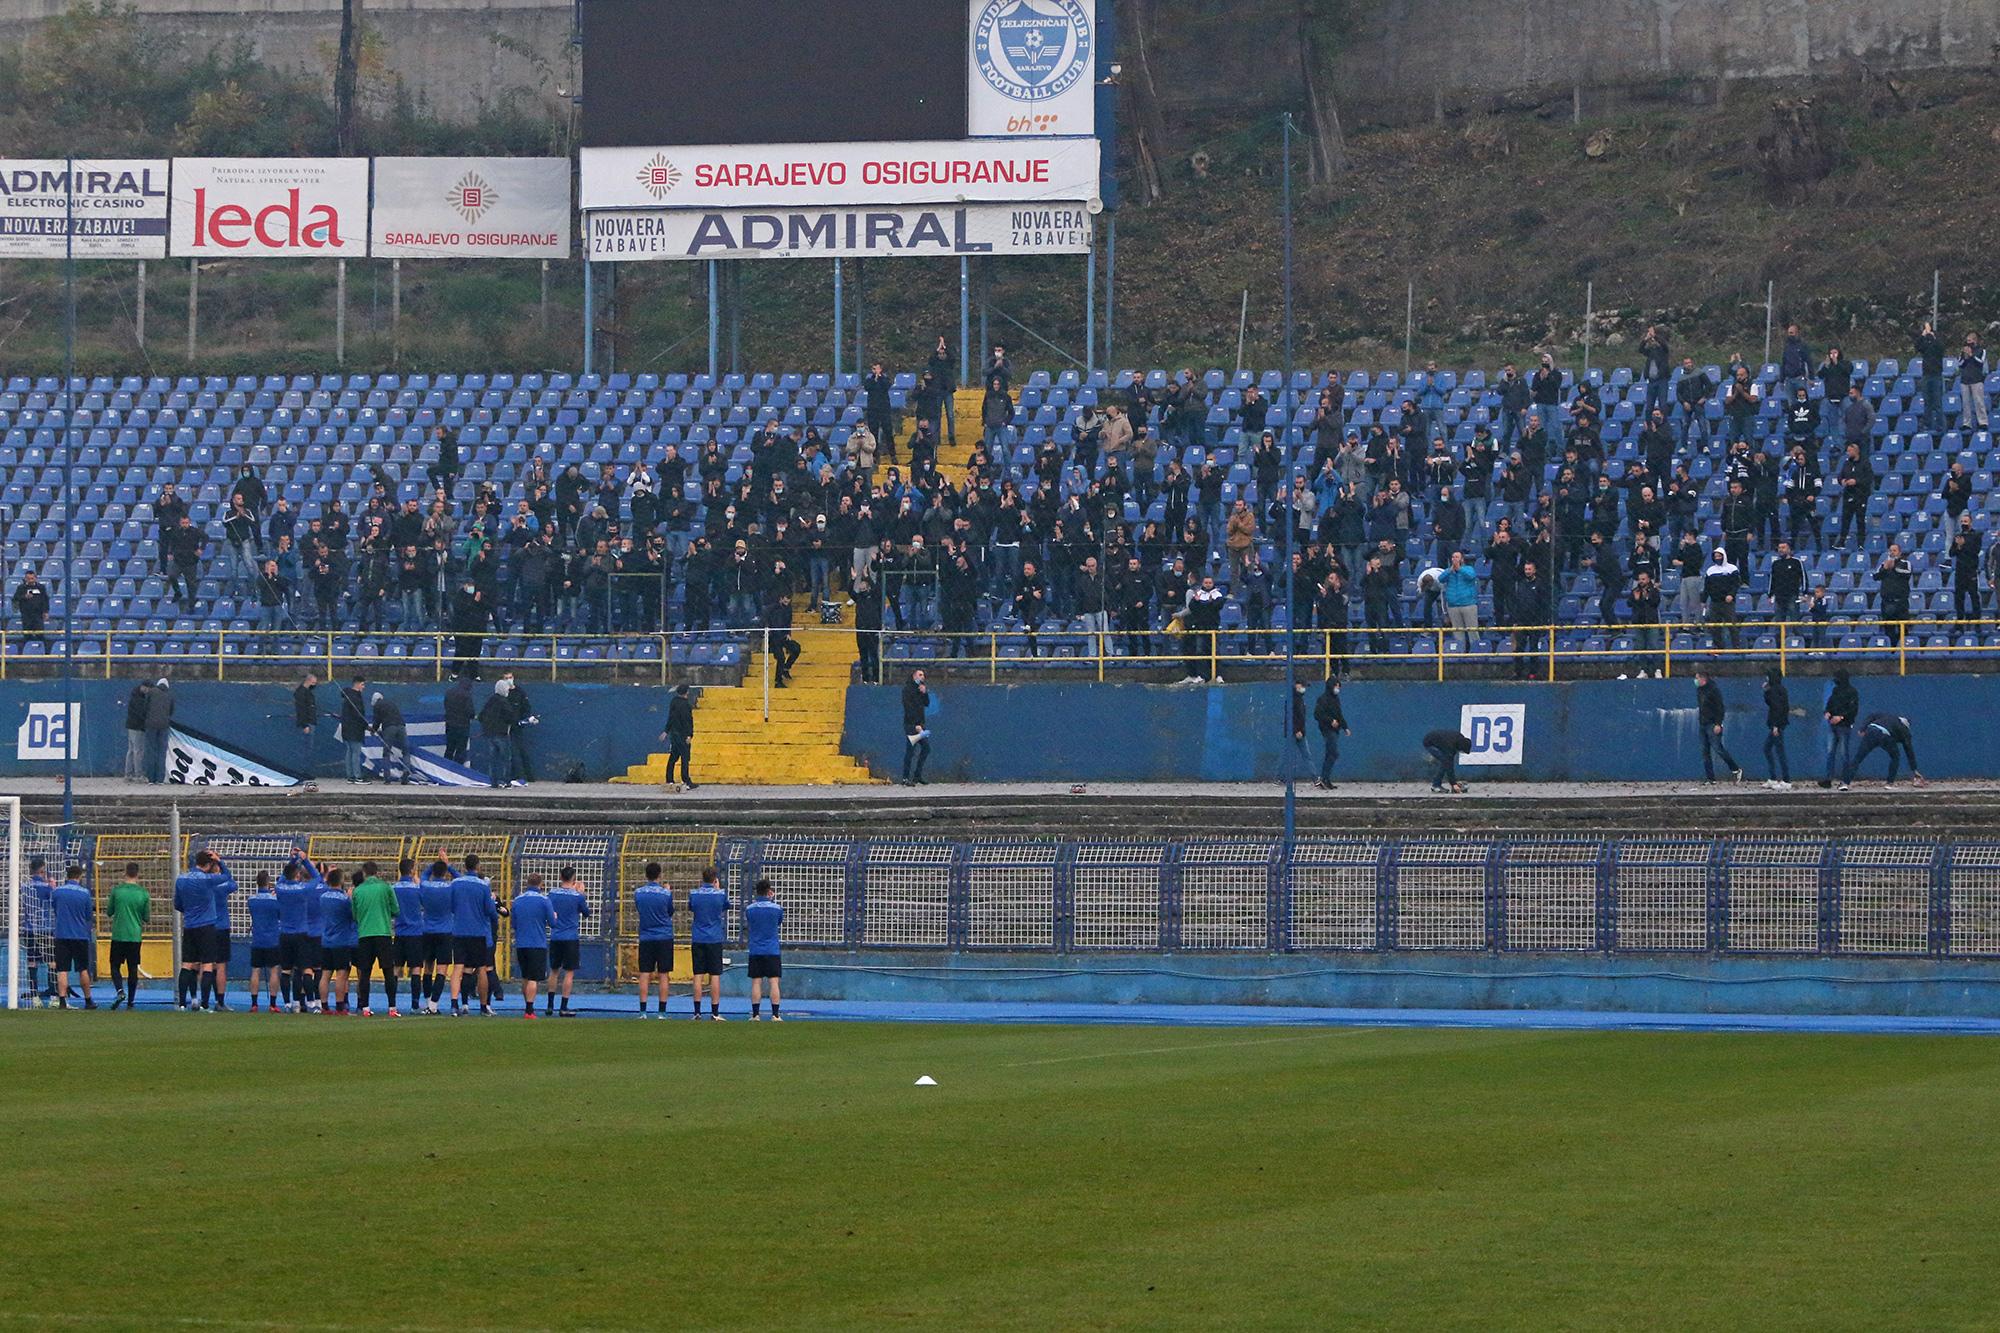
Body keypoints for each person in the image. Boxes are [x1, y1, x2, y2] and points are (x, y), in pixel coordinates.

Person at [173, 850, 232, 1011]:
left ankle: (181, 1003)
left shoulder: (181, 878)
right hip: (206, 926)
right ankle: (205, 1003)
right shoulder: (207, 879)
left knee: (187, 964)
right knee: (207, 965)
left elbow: (177, 904)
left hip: (189, 925)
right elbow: (227, 876)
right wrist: (219, 861)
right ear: (208, 864)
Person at [448, 853, 498, 1016]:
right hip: (478, 932)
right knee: (482, 968)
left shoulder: (455, 883)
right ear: (478, 866)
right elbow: (490, 910)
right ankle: (484, 1006)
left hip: (459, 930)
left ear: (465, 866)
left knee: (458, 968)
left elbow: (450, 905)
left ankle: (454, 1005)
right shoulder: (483, 886)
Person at [47, 866, 96, 1010]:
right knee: (83, 969)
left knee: (62, 969)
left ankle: (62, 1000)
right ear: (79, 876)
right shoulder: (85, 893)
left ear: (67, 876)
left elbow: (55, 909)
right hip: (80, 935)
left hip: (62, 934)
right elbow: (88, 916)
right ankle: (88, 1000)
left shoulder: (57, 892)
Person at [276, 856, 321, 1013]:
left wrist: (294, 860)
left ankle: (290, 1003)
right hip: (301, 933)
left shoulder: (279, 887)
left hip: (285, 934)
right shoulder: (303, 889)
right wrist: (305, 860)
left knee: (287, 970)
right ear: (297, 875)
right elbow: (317, 877)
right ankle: (310, 1003)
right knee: (306, 969)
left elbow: (283, 876)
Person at [545, 866, 590, 1018]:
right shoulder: (577, 896)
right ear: (574, 879)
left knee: (554, 970)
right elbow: (586, 913)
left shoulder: (552, 893)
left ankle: (550, 1005)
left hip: (556, 936)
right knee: (569, 972)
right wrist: (582, 894)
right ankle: (563, 1006)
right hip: (570, 937)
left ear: (560, 877)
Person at [105, 861, 149, 1012]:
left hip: (118, 934)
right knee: (132, 968)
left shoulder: (117, 891)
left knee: (114, 965)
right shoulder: (143, 893)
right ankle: (131, 1002)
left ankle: (120, 991)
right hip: (134, 936)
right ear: (137, 874)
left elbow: (109, 911)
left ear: (125, 873)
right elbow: (146, 917)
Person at [418, 855, 459, 1014]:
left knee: (428, 968)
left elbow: (423, 876)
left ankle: (428, 1002)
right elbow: (461, 879)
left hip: (427, 930)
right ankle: (434, 1005)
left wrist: (436, 863)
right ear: (445, 873)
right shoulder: (450, 887)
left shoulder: (426, 884)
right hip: (445, 931)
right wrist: (448, 865)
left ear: (433, 872)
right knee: (442, 969)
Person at [509, 873, 554, 1020]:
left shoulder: (517, 900)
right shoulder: (544, 900)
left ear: (527, 883)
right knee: (534, 978)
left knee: (525, 977)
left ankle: (527, 1006)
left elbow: (513, 924)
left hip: (521, 943)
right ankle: (529, 1010)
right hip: (537, 943)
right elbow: (552, 923)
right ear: (540, 884)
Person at [633, 863, 675, 1018]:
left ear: (646, 875)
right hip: (664, 936)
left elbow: (639, 909)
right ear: (659, 875)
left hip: (646, 936)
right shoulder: (665, 894)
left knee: (645, 973)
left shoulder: (639, 892)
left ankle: (643, 1011)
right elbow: (670, 911)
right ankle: (662, 1012)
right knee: (664, 974)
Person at [1844, 712, 1926, 789]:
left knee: (1858, 758)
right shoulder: (1905, 730)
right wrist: (1914, 769)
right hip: (1885, 736)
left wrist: (1862, 728)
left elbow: (1871, 716)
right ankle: (1889, 783)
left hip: (1871, 731)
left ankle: (1845, 783)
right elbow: (1909, 750)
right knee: (1895, 757)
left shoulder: (1887, 716)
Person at [688, 868, 729, 1021]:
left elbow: (691, 908)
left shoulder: (694, 894)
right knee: (715, 975)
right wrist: (717, 889)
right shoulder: (720, 894)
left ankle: (697, 1012)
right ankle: (715, 1012)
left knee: (698, 975)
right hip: (714, 938)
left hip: (698, 937)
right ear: (714, 879)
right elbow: (725, 906)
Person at [317, 869, 357, 1015]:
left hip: (326, 940)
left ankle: (324, 1006)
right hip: (341, 941)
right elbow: (353, 915)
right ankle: (340, 1006)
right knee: (341, 974)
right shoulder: (344, 900)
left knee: (325, 974)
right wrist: (351, 899)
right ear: (341, 881)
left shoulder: (323, 897)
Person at [1694, 669, 1743, 783]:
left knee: (1718, 748)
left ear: (1703, 679)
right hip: (1703, 723)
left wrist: (1718, 723)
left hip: (1712, 724)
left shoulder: (1713, 690)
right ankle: (1710, 778)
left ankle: (1735, 768)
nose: (1695, 680)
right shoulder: (1700, 690)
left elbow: (1720, 708)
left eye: (1697, 678)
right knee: (1705, 752)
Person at [745, 878, 784, 1021]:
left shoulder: (750, 909)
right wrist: (772, 900)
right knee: (774, 982)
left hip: (756, 949)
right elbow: (779, 921)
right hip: (772, 949)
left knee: (756, 982)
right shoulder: (777, 908)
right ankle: (775, 1014)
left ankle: (755, 1014)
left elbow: (750, 922)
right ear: (769, 891)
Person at [391, 857, 427, 1011]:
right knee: (416, 969)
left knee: (396, 968)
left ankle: (391, 1003)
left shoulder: (393, 888)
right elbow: (426, 903)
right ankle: (414, 1003)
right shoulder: (417, 888)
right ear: (412, 871)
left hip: (399, 932)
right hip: (415, 933)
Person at [244, 872, 282, 1012]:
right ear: (268, 882)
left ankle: (254, 1003)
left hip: (257, 939)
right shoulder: (275, 901)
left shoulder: (252, 900)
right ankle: (273, 1004)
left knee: (255, 971)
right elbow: (280, 915)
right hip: (272, 939)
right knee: (273, 971)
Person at [1821, 669, 1859, 791]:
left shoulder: (1852, 692)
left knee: (1844, 754)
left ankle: (1845, 781)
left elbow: (1853, 709)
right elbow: (1830, 704)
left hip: (1844, 726)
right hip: (1833, 725)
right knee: (1830, 752)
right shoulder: (1836, 691)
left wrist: (1841, 717)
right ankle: (1828, 778)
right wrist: (1828, 712)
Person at [1313, 677, 1349, 790]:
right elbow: (1317, 714)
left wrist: (1345, 727)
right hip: (1327, 729)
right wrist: (1330, 721)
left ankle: (1326, 779)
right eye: (1336, 686)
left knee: (1331, 754)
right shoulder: (1323, 699)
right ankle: (1324, 778)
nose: (1338, 689)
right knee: (1333, 753)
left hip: (1335, 730)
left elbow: (1339, 714)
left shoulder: (1335, 699)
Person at [478, 681, 516, 787]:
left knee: (493, 760)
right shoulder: (504, 702)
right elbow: (510, 717)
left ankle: (493, 782)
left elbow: (481, 716)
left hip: (490, 734)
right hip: (502, 734)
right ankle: (506, 781)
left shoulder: (489, 701)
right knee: (506, 759)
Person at [660, 683, 696, 791]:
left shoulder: (674, 702)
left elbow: (671, 717)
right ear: (687, 692)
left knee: (673, 757)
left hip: (674, 735)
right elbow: (688, 721)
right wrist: (689, 735)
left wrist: (666, 731)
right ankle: (686, 781)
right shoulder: (686, 705)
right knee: (685, 758)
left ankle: (669, 779)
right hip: (683, 735)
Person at [371, 691, 412, 784]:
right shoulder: (391, 703)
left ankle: (387, 777)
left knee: (386, 753)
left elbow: (377, 721)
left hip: (389, 727)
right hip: (401, 726)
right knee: (406, 751)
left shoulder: (377, 706)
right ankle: (406, 772)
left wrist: (373, 730)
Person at [1762, 668, 1793, 790]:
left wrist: (1775, 725)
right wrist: (1766, 690)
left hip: (1777, 725)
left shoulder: (1775, 690)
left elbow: (1776, 708)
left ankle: (1786, 779)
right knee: (1768, 749)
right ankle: (1774, 778)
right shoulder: (1779, 689)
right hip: (1779, 724)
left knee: (1779, 752)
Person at [901, 668, 931, 786]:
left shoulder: (920, 689)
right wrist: (915, 724)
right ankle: (905, 778)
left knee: (926, 748)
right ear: (914, 676)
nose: (922, 677)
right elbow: (908, 708)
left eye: (923, 675)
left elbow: (926, 703)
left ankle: (917, 775)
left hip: (920, 725)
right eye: (920, 675)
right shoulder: (907, 689)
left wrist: (925, 693)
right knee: (910, 751)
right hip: (911, 724)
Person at [1423, 728, 1472, 794]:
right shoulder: (1450, 746)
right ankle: (1436, 786)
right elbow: (1449, 765)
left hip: (1439, 740)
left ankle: (1439, 784)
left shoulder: (1459, 739)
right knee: (1445, 762)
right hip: (1429, 743)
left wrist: (1453, 782)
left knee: (1446, 762)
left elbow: (1451, 762)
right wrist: (1453, 784)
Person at [143, 677, 173, 783]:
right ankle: (160, 779)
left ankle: (151, 778)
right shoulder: (170, 695)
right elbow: (171, 711)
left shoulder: (151, 692)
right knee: (161, 752)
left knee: (151, 751)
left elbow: (145, 707)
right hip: (164, 726)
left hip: (151, 725)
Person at [339, 676, 368, 783]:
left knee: (349, 752)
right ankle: (357, 776)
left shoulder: (347, 696)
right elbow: (358, 714)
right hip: (355, 729)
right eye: (362, 684)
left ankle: (350, 776)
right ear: (357, 684)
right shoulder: (355, 697)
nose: (363, 687)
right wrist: (366, 725)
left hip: (346, 728)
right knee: (356, 752)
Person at [443, 674, 474, 765]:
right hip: (462, 726)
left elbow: (446, 706)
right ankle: (457, 771)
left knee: (449, 748)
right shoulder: (467, 695)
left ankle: (444, 769)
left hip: (450, 724)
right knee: (460, 751)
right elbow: (470, 712)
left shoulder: (449, 692)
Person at [293, 671, 319, 780]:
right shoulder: (302, 693)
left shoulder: (306, 692)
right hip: (307, 723)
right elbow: (301, 710)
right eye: (314, 682)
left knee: (308, 748)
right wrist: (305, 725)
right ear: (309, 681)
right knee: (305, 748)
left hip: (310, 722)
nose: (315, 684)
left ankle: (305, 770)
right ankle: (302, 771)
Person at [124, 680, 151, 782]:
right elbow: (141, 713)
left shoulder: (134, 695)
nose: (148, 691)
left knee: (131, 750)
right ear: (144, 687)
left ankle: (128, 774)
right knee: (138, 751)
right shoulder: (140, 699)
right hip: (138, 727)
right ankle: (138, 775)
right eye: (148, 689)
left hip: (131, 726)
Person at [12, 569, 49, 645]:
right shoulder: (21, 588)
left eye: (32, 578)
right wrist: (24, 597)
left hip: (38, 615)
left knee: (40, 634)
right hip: (26, 615)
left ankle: (42, 651)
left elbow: (45, 600)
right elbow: (15, 598)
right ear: (25, 579)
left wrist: (45, 611)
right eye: (28, 579)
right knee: (27, 635)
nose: (30, 580)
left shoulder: (41, 587)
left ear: (35, 578)